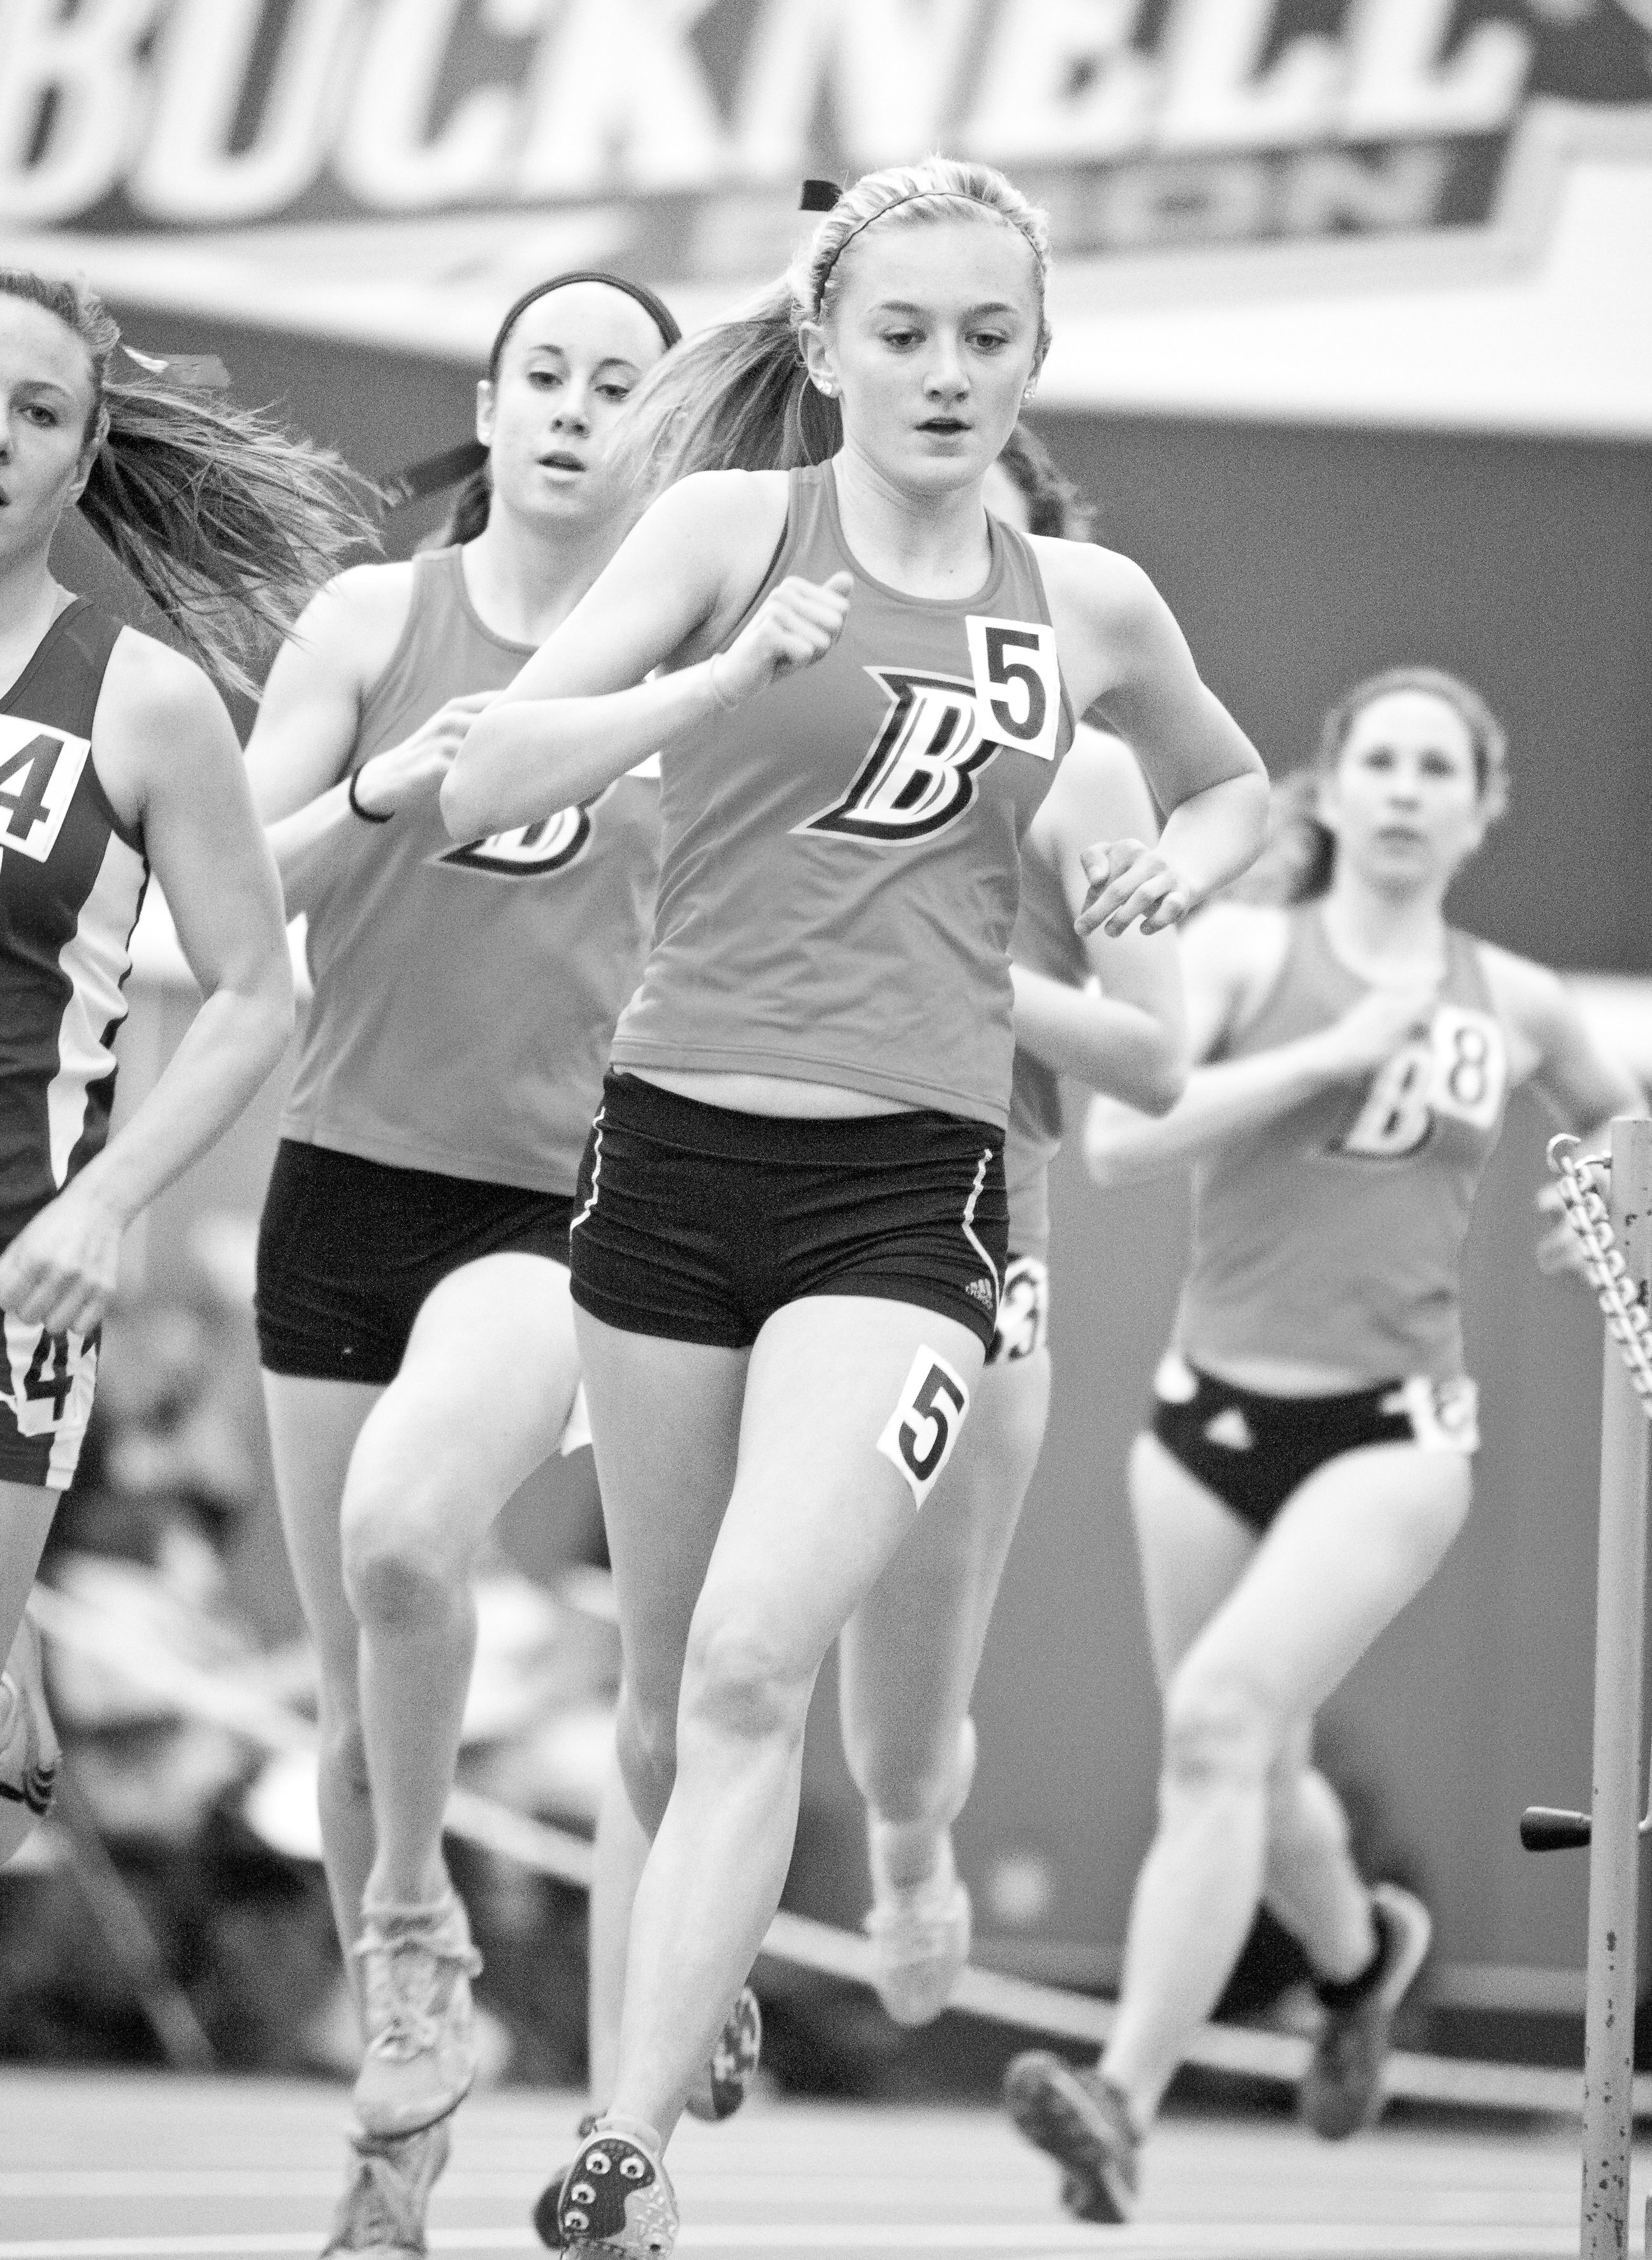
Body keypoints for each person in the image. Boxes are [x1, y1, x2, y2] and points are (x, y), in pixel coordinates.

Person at [443, 153, 1268, 2259]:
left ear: (1037, 355)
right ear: (824, 346)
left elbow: (1240, 778)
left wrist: (1203, 865)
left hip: (913, 1194)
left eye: (988, 333)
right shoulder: (730, 531)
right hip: (673, 1156)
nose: (944, 368)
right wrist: (718, 678)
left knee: (748, 1656)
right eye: (901, 328)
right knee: (657, 1689)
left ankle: (623, 2144)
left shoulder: (1088, 606)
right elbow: (494, 772)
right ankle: (709, 1969)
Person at [1003, 667, 1643, 2223]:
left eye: (1443, 767)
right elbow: (1121, 1138)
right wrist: (1323, 1057)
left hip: (1395, 1435)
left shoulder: (1521, 997)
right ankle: (1362, 1962)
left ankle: (1120, 2100)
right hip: (1208, 1420)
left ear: (1481, 807)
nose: (1412, 789)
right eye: (1386, 762)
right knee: (1256, 1761)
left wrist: (1606, 1211)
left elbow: (1619, 1131)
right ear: (1336, 789)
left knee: (1218, 1725)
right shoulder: (1241, 959)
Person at [242, 273, 678, 2257]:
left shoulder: (691, 668)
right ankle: (390, 2153)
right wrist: (381, 786)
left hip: (555, 1210)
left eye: (620, 385)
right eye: (550, 377)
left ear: (660, 428)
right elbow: (236, 896)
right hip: (343, 1182)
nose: (580, 410)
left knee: (414, 1538)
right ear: (489, 406)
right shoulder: (371, 624)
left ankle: (424, 1933)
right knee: (351, 1711)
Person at [0, 266, 365, 1864]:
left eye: (37, 411)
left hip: (21, 1257)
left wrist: (111, 1204)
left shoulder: (141, 702)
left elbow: (252, 996)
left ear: (84, 460)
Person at [838, 424, 1187, 2024]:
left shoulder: (1100, 775)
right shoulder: (811, 700)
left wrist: (969, 967)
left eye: (1006, 545)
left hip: (986, 1239)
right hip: (754, 1186)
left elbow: (1156, 1052)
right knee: (706, 1639)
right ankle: (683, 1976)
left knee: (899, 1726)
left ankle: (913, 1849)